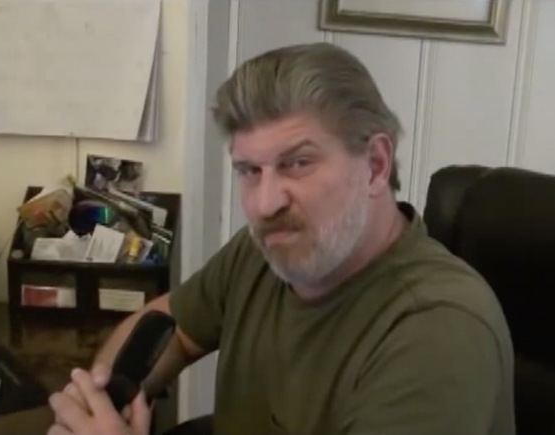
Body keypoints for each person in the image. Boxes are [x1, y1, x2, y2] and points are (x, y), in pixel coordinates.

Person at [48, 42, 515, 435]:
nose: (265, 203)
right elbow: (172, 324)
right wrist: (98, 401)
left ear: (375, 165)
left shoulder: (439, 332)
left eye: (298, 163)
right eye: (250, 170)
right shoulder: (266, 250)